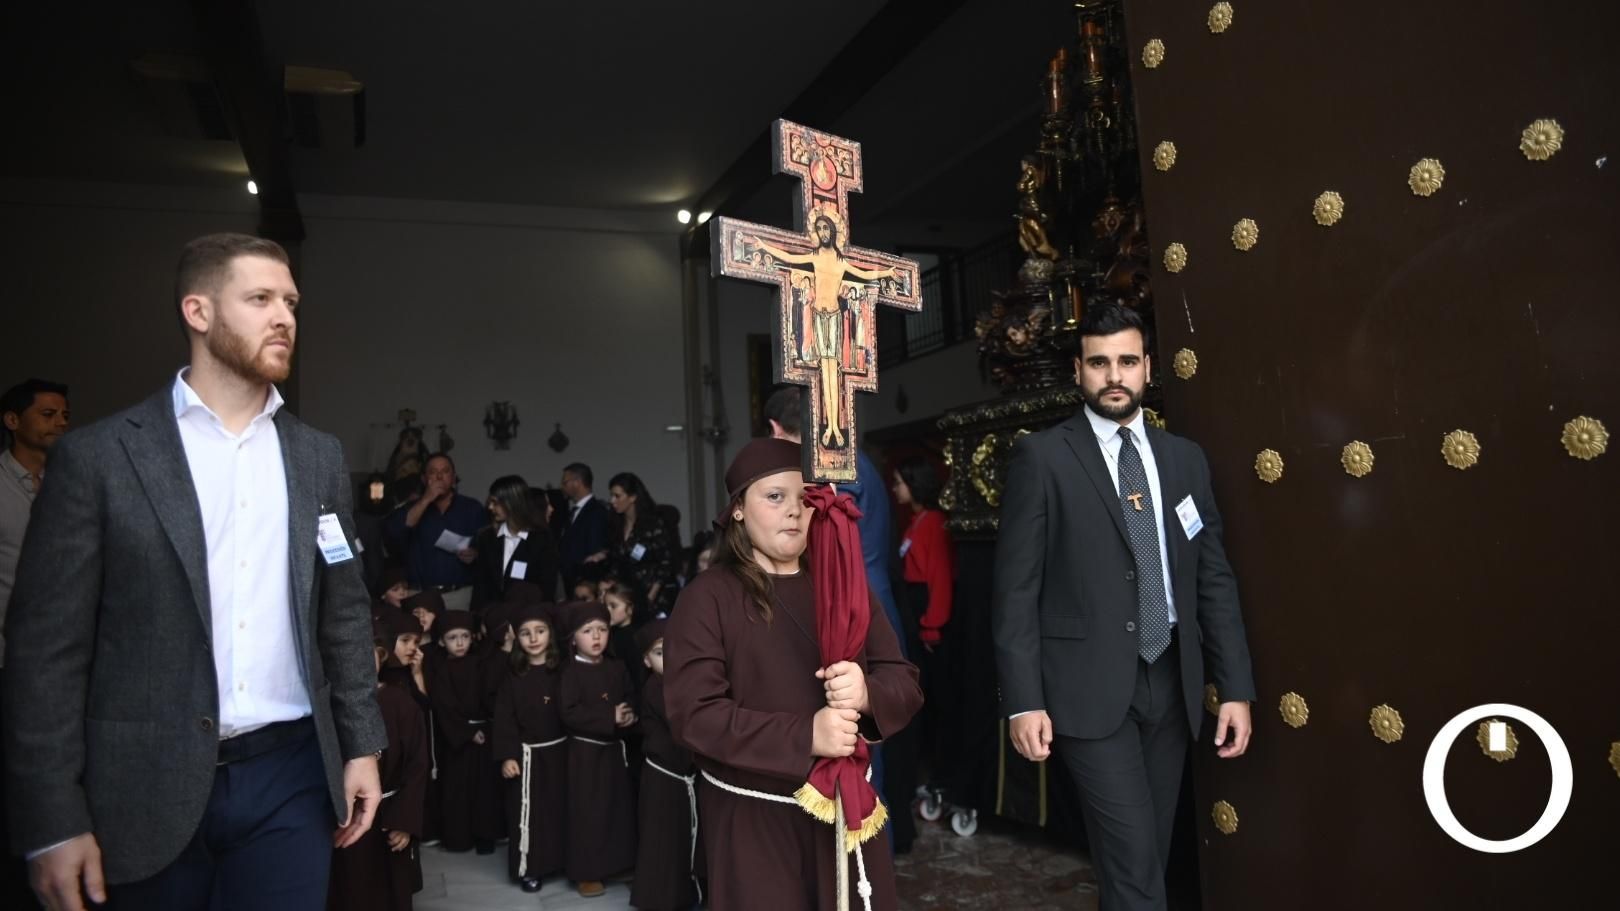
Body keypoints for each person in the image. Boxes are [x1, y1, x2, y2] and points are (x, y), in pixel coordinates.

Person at [3, 233, 385, 910]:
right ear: (198, 312)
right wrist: (51, 816)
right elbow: (45, 651)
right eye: (260, 298)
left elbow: (344, 611)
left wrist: (362, 745)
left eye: (291, 301)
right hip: (138, 782)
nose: (285, 317)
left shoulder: (317, 458)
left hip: (289, 775)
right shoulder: (101, 458)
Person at [993, 304, 1256, 911]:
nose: (1114, 375)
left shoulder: (1184, 459)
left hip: (1171, 684)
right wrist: (1024, 700)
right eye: (1100, 362)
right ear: (1079, 371)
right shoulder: (1044, 457)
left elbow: (1212, 578)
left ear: (1147, 369)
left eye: (1127, 361)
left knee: (1143, 857)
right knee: (1136, 862)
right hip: (1084, 691)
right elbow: (1014, 592)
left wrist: (1234, 686)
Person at [664, 437, 922, 911]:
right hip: (756, 823)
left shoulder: (844, 583)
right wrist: (805, 735)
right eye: (775, 496)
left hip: (845, 816)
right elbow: (694, 715)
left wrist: (867, 693)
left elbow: (903, 681)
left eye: (805, 498)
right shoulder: (708, 597)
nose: (794, 511)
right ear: (738, 509)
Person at [763, 383, 915, 851]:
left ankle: (867, 867)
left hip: (851, 610)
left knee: (860, 745)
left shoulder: (824, 471)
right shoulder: (857, 460)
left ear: (774, 429)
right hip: (871, 600)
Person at [0, 377, 69, 905]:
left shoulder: (72, 482)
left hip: (67, 659)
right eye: (46, 414)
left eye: (63, 415)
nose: (58, 424)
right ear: (13, 421)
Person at [327, 614, 431, 911]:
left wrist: (405, 822)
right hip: (342, 822)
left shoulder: (401, 703)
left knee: (390, 893)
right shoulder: (325, 710)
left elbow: (417, 767)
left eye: (369, 655)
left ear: (381, 657)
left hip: (390, 818)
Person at [559, 601, 638, 898]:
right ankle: (587, 873)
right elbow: (568, 712)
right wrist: (609, 717)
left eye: (602, 630)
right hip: (585, 755)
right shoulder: (570, 671)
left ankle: (618, 863)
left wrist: (630, 715)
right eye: (587, 631)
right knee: (588, 814)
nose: (596, 637)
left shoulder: (616, 667)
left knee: (617, 809)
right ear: (572, 638)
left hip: (614, 752)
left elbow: (630, 695)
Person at [892, 456, 957, 790]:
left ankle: (941, 777)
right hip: (917, 616)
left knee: (937, 702)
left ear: (914, 484)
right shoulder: (915, 521)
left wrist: (932, 625)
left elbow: (940, 578)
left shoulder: (933, 522)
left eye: (899, 482)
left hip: (930, 624)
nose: (894, 488)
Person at [492, 603, 567, 892]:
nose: (533, 638)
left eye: (540, 631)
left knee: (558, 811)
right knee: (528, 814)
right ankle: (530, 867)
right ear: (517, 638)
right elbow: (504, 720)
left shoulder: (563, 670)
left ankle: (559, 861)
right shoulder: (513, 677)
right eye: (525, 633)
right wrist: (508, 755)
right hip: (528, 757)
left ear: (551, 634)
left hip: (560, 752)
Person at [629, 619, 701, 911]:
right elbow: (683, 725)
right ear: (647, 660)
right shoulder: (655, 689)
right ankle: (659, 900)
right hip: (664, 777)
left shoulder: (684, 685)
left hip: (683, 776)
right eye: (660, 653)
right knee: (662, 841)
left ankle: (685, 894)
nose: (670, 658)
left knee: (684, 836)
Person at [426, 611, 502, 855]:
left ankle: (485, 837)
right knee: (457, 791)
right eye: (452, 637)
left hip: (484, 734)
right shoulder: (441, 670)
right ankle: (459, 837)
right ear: (441, 641)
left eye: (464, 636)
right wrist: (467, 731)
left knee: (485, 791)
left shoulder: (481, 665)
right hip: (457, 740)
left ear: (473, 638)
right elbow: (443, 706)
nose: (459, 643)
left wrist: (483, 728)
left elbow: (490, 698)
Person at [385, 453, 485, 612]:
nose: (439, 477)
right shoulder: (411, 507)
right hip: (419, 594)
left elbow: (489, 549)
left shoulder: (472, 508)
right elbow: (397, 531)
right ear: (424, 479)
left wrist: (475, 554)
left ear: (453, 477)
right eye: (432, 472)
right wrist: (426, 499)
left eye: (445, 472)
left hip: (460, 594)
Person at [589, 472, 679, 615]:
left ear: (632, 497)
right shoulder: (615, 525)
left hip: (653, 597)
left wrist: (651, 595)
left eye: (617, 496)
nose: (612, 501)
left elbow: (666, 564)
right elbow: (617, 559)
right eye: (611, 495)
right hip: (626, 597)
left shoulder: (653, 525)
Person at [472, 475, 560, 609]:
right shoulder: (486, 537)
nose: (490, 507)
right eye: (490, 502)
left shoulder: (542, 539)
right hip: (493, 618)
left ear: (512, 502)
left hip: (529, 618)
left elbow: (547, 588)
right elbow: (480, 586)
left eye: (495, 503)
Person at [558, 463, 612, 591]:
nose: (562, 487)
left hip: (584, 580)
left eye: (565, 482)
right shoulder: (572, 511)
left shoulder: (597, 511)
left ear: (577, 482)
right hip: (569, 580)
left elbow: (595, 547)